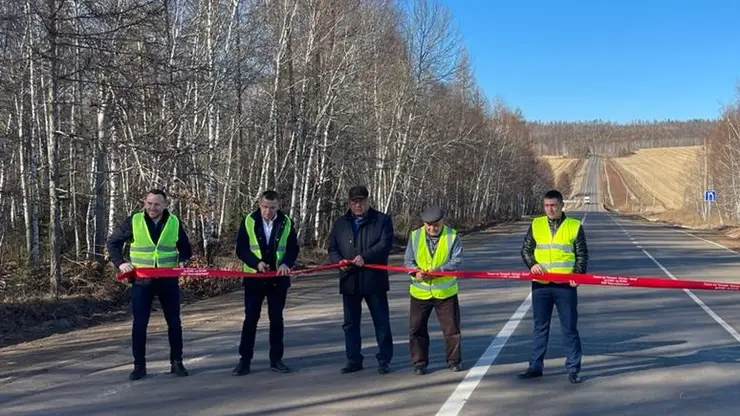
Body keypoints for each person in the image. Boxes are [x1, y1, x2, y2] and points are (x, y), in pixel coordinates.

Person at [107, 189, 192, 381]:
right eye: (149, 203)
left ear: (164, 205)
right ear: (145, 203)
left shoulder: (173, 222)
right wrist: (120, 263)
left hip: (168, 281)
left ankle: (177, 362)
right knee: (139, 324)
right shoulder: (134, 221)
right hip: (142, 281)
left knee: (174, 323)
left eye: (157, 204)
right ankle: (139, 366)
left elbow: (185, 247)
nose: (152, 208)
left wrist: (183, 260)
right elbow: (113, 242)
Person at [519, 189, 588, 384]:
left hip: (565, 286)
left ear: (561, 206)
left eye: (553, 205)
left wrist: (578, 274)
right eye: (547, 205)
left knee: (569, 328)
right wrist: (532, 264)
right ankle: (535, 366)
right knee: (540, 328)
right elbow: (525, 249)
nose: (550, 209)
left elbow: (582, 254)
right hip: (541, 286)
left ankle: (574, 368)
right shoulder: (536, 224)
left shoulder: (574, 226)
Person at [328, 185, 394, 374]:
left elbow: (385, 244)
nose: (358, 205)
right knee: (350, 323)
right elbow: (332, 248)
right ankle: (353, 359)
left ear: (367, 201)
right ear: (349, 203)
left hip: (374, 280)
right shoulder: (341, 223)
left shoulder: (382, 220)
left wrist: (366, 257)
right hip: (349, 279)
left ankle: (384, 359)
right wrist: (337, 261)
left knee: (381, 321)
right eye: (354, 201)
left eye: (361, 201)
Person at [232, 190, 299, 376]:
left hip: (278, 278)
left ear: (278, 207)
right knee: (250, 320)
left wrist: (286, 262)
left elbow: (293, 247)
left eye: (272, 208)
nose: (268, 211)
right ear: (259, 205)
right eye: (264, 207)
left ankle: (276, 359)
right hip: (254, 278)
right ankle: (244, 361)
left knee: (276, 319)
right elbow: (241, 249)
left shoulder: (286, 222)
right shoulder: (249, 221)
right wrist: (256, 263)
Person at [404, 205, 464, 375]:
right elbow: (408, 261)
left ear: (442, 221)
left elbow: (456, 260)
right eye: (428, 224)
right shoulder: (415, 236)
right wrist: (416, 273)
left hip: (445, 292)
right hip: (420, 291)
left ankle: (454, 361)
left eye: (435, 224)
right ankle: (419, 362)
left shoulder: (452, 235)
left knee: (451, 330)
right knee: (416, 329)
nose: (432, 228)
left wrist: (439, 271)